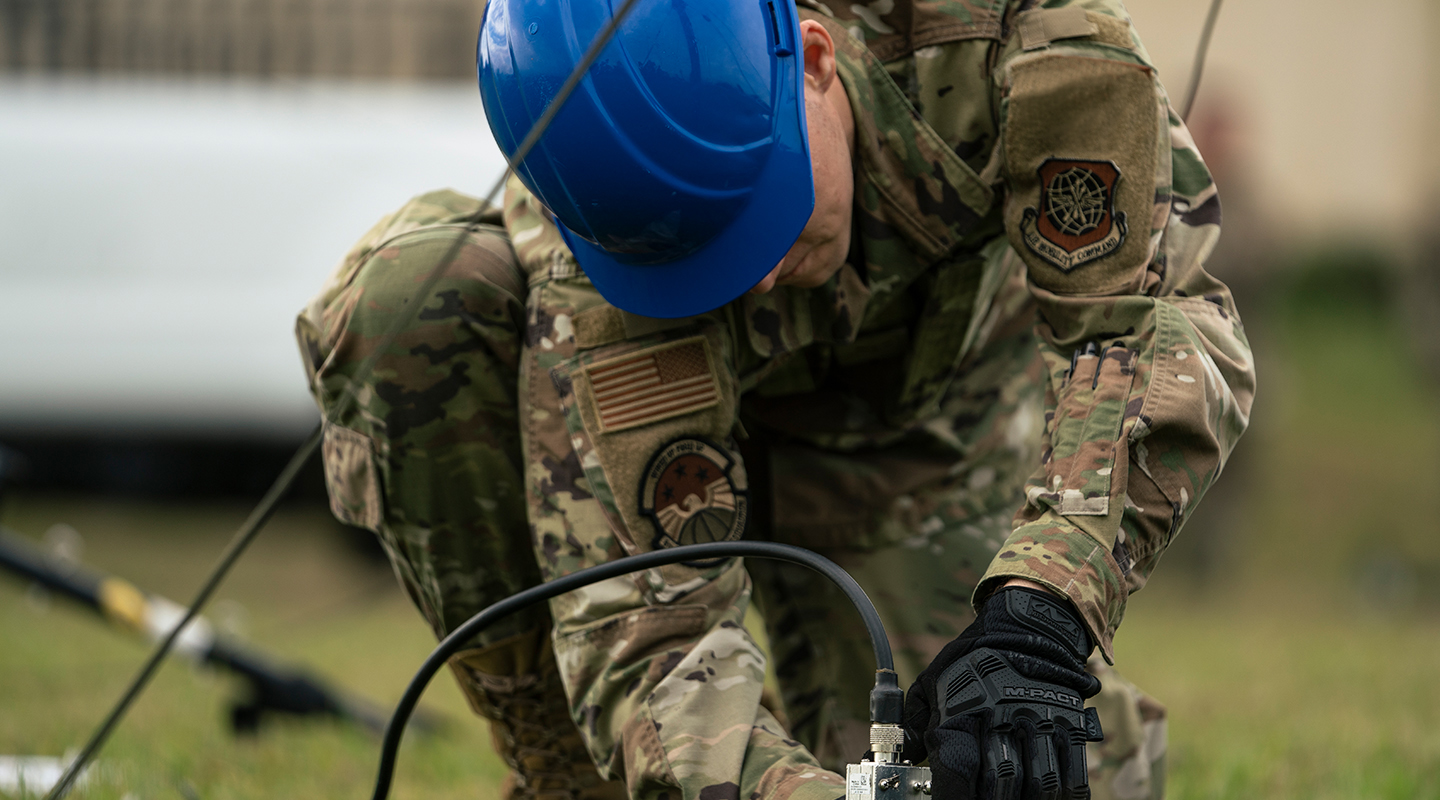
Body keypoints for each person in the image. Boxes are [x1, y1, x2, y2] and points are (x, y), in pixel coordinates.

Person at [296, 1, 1254, 799]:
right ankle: (566, 782)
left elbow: (1151, 325)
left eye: (763, 216)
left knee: (1007, 761)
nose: (753, 286)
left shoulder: (1014, 33)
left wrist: (1043, 607)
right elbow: (652, 638)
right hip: (682, 453)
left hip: (916, 442)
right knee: (412, 295)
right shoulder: (593, 235)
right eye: (694, 260)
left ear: (819, 59)